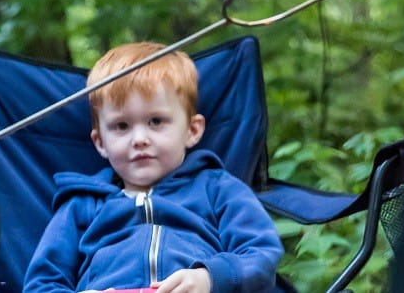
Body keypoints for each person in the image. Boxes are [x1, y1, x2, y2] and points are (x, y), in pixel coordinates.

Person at [24, 43, 285, 293]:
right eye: (122, 126)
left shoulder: (217, 188)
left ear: (192, 130)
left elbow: (261, 254)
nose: (139, 139)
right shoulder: (82, 203)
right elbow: (41, 283)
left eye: (156, 121)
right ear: (100, 142)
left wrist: (209, 278)